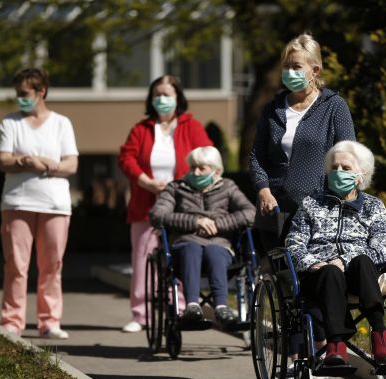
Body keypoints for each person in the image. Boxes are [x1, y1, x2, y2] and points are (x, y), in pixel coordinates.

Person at [286, 141, 386, 366]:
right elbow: (294, 241)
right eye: (334, 168)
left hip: (359, 277)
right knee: (330, 272)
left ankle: (380, 336)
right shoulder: (311, 204)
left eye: (345, 169)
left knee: (361, 260)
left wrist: (344, 260)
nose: (338, 172)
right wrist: (312, 263)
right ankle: (336, 345)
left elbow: (385, 243)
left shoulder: (372, 206)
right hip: (320, 276)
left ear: (360, 175)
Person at [118, 75, 213, 333]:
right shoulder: (141, 128)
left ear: (178, 98)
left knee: (181, 254)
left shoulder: (191, 127)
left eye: (167, 94)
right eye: (157, 94)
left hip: (182, 205)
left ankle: (180, 306)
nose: (161, 99)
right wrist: (145, 181)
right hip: (146, 202)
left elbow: (207, 155)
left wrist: (185, 183)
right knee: (143, 257)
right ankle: (140, 314)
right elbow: (126, 158)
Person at [248, 33, 356, 251]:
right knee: (282, 275)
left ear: (314, 71)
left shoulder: (333, 106)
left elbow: (348, 156)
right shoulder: (272, 109)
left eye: (296, 66)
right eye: (286, 67)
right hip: (276, 208)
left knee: (313, 274)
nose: (289, 72)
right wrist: (263, 190)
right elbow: (257, 156)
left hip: (319, 209)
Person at [0, 68, 79, 339]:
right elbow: (3, 160)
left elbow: (71, 163)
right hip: (17, 203)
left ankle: (49, 321)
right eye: (17, 94)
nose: (20, 99)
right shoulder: (10, 123)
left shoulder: (61, 123)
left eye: (24, 94)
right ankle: (12, 320)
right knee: (16, 264)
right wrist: (25, 161)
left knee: (52, 264)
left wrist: (49, 166)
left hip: (54, 204)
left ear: (40, 91)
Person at [149, 146, 256, 326]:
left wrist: (218, 224)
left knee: (215, 251)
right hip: (185, 245)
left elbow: (250, 212)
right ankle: (192, 306)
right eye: (192, 167)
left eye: (202, 168)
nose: (195, 172)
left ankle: (221, 307)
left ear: (217, 171)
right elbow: (157, 215)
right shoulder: (175, 188)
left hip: (219, 244)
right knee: (191, 248)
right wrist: (195, 222)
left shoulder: (228, 187)